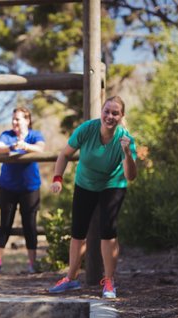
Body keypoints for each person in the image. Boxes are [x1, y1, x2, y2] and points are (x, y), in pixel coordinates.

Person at [47, 95, 137, 299]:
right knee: (78, 231)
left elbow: (131, 176)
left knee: (108, 231)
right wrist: (58, 178)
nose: (110, 116)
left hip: (112, 184)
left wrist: (127, 153)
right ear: (102, 112)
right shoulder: (87, 129)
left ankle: (109, 282)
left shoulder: (125, 139)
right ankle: (70, 279)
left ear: (122, 116)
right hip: (85, 183)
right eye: (107, 111)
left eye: (115, 113)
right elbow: (64, 154)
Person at [0, 106, 46, 274]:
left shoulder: (35, 135)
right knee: (4, 225)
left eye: (18, 119)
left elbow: (41, 147)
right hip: (8, 187)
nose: (14, 122)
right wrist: (12, 146)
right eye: (13, 119)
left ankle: (32, 264)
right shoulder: (7, 136)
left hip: (30, 188)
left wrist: (26, 146)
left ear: (27, 120)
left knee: (30, 225)